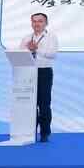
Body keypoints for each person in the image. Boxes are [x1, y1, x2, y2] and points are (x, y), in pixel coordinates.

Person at [20, 13, 58, 142]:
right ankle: (30, 132)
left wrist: (37, 49)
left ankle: (44, 133)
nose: (37, 24)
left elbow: (52, 54)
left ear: (46, 23)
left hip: (44, 72)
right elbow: (20, 53)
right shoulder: (26, 38)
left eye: (40, 21)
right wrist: (28, 50)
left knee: (44, 104)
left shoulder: (51, 37)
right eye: (34, 21)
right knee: (30, 104)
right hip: (28, 72)